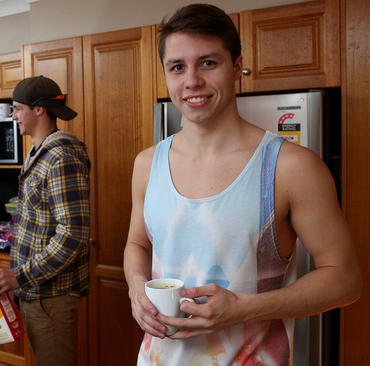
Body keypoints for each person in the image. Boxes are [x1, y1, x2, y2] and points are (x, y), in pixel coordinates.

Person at [123, 4, 361, 365]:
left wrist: (246, 308)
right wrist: (135, 289)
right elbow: (137, 244)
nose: (191, 81)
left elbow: (345, 280)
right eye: (177, 67)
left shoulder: (291, 167)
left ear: (236, 68)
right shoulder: (147, 164)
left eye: (208, 62)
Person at [0, 76, 90, 366]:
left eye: (17, 108)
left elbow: (73, 235)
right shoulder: (37, 152)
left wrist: (19, 276)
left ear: (39, 110)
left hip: (50, 295)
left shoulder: (61, 157)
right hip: (35, 290)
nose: (14, 116)